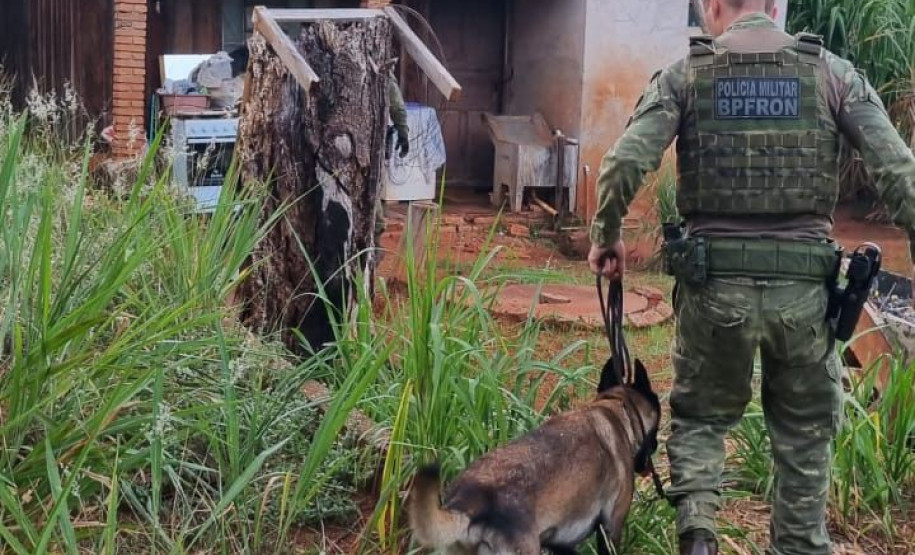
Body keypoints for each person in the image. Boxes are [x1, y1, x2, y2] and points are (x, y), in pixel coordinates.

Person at [587, 1, 915, 554]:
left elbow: (623, 163)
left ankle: (698, 540)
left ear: (713, 6)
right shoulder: (831, 73)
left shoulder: (686, 74)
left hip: (714, 293)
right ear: (774, 6)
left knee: (700, 423)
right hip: (805, 299)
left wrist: (607, 234)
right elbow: (899, 173)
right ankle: (799, 545)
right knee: (805, 436)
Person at [375, 71, 410, 247]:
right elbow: (396, 106)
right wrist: (403, 133)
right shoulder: (379, 62)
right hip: (369, 152)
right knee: (373, 205)